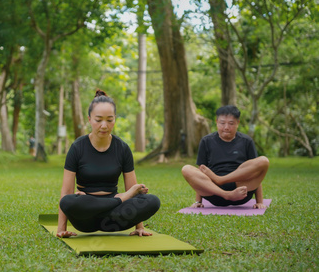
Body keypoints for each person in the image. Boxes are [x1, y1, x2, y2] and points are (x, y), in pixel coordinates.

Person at [57, 89, 161, 238]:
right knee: (68, 201)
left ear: (115, 119)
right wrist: (62, 228)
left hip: (115, 218)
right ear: (89, 119)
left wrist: (139, 226)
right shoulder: (77, 147)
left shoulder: (122, 148)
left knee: (152, 201)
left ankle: (117, 201)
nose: (104, 125)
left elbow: (133, 189)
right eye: (98, 120)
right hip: (86, 218)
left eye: (109, 120)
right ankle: (119, 199)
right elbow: (66, 193)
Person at [181, 105, 269, 209]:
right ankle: (226, 194)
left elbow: (255, 173)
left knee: (264, 161)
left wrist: (259, 202)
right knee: (186, 169)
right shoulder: (206, 141)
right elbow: (201, 172)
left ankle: (221, 179)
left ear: (237, 123)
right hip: (213, 192)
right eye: (222, 123)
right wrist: (197, 201)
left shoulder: (247, 141)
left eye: (231, 123)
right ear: (217, 122)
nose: (226, 127)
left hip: (241, 191)